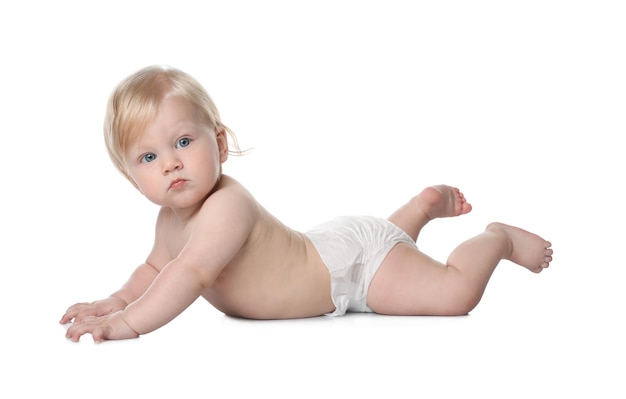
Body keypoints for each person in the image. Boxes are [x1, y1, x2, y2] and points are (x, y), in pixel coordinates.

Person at [60, 65, 553, 342]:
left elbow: (189, 274)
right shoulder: (169, 222)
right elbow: (155, 268)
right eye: (149, 156)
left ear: (220, 144)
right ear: (131, 178)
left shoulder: (227, 207)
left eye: (183, 142)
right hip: (332, 247)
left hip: (353, 270)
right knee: (389, 249)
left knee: (453, 296)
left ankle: (497, 239)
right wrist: (118, 299)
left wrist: (129, 323)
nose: (170, 163)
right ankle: (414, 214)